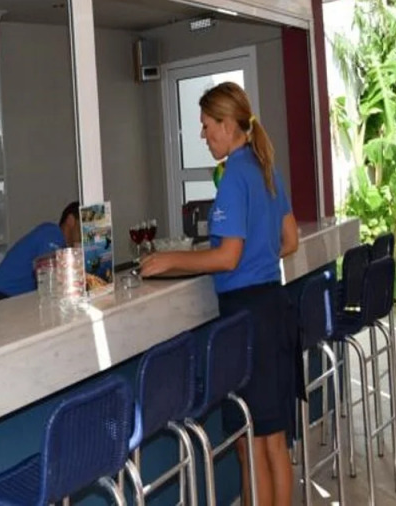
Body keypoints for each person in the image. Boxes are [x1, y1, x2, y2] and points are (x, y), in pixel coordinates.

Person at [140, 82, 299, 506]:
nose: (203, 134)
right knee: (274, 441)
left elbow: (227, 257)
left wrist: (169, 260)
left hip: (247, 319)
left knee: (252, 441)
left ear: (228, 125)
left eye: (207, 125)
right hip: (275, 309)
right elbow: (290, 240)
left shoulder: (233, 178)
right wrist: (257, 257)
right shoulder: (267, 169)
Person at [0, 202, 81, 304]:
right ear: (71, 220)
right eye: (81, 223)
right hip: (1, 297)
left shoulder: (61, 246)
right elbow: (49, 281)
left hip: (14, 299)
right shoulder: (53, 234)